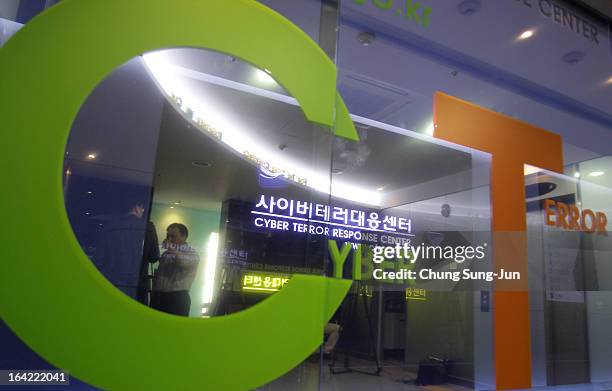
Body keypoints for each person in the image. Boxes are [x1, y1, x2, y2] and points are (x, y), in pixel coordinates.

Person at [150, 223, 200, 316]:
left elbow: (183, 262)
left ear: (184, 236)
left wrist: (171, 248)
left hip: (177, 299)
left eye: (173, 236)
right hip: (158, 297)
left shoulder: (192, 253)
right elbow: (159, 277)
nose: (169, 239)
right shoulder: (165, 254)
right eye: (168, 236)